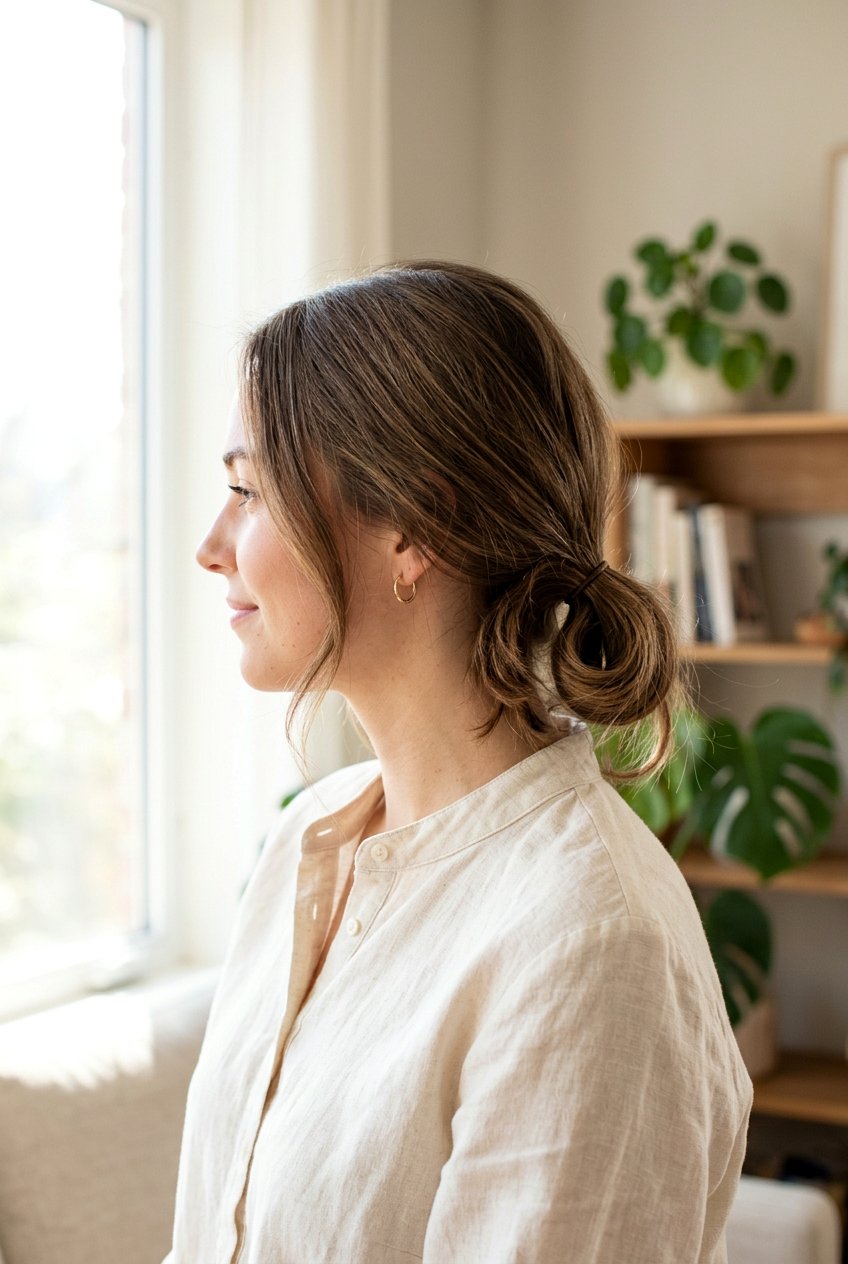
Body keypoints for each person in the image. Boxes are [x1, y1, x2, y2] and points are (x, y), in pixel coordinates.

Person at [165, 260, 753, 1263]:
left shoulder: (591, 942)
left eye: (245, 490)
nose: (210, 545)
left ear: (411, 527)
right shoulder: (307, 839)